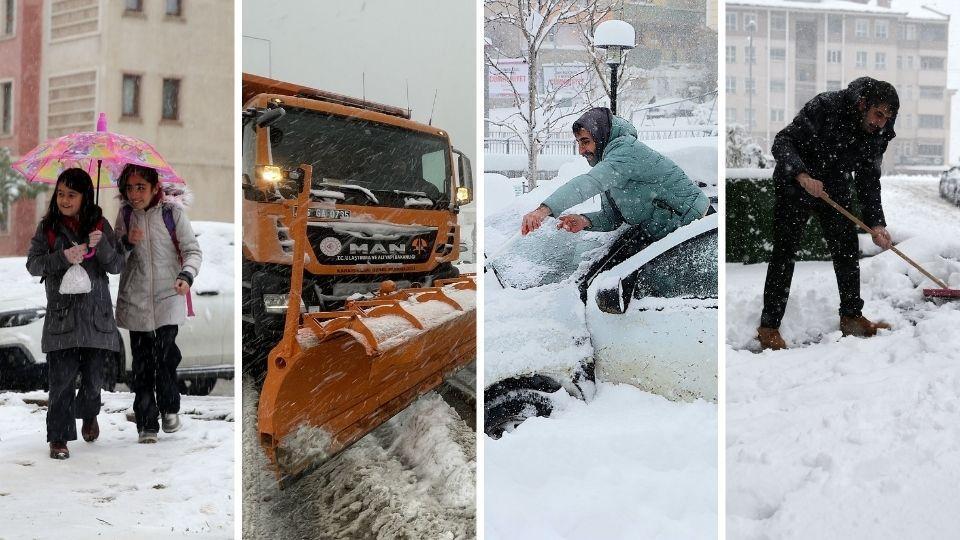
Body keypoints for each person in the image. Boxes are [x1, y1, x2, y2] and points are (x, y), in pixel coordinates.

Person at [757, 77, 898, 350]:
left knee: (847, 248)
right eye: (877, 114)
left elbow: (868, 179)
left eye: (886, 117)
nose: (880, 122)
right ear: (862, 104)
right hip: (797, 180)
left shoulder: (879, 132)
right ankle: (768, 326)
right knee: (785, 251)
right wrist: (801, 174)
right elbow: (783, 141)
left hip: (833, 183)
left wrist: (877, 224)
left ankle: (851, 316)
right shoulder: (826, 106)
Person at [26, 168, 124, 459]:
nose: (65, 200)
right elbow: (33, 264)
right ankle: (58, 438)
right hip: (62, 318)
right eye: (60, 194)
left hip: (96, 318)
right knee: (62, 383)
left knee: (94, 381)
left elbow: (116, 265)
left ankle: (90, 413)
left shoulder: (99, 224)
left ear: (85, 196)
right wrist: (62, 257)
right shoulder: (48, 228)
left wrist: (102, 244)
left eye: (72, 194)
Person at [520, 107, 710, 241]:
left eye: (585, 141)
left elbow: (590, 183)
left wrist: (543, 210)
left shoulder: (625, 151)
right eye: (578, 142)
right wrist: (585, 221)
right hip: (668, 231)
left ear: (600, 135)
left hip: (696, 228)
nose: (581, 150)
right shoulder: (610, 161)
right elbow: (614, 217)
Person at [114, 164, 202, 443]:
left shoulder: (171, 213)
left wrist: (186, 275)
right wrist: (127, 243)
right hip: (136, 299)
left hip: (168, 296)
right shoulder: (126, 215)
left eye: (141, 187)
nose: (134, 194)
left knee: (166, 358)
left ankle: (169, 406)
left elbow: (192, 250)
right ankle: (146, 423)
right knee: (141, 365)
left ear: (155, 188)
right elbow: (114, 260)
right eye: (129, 187)